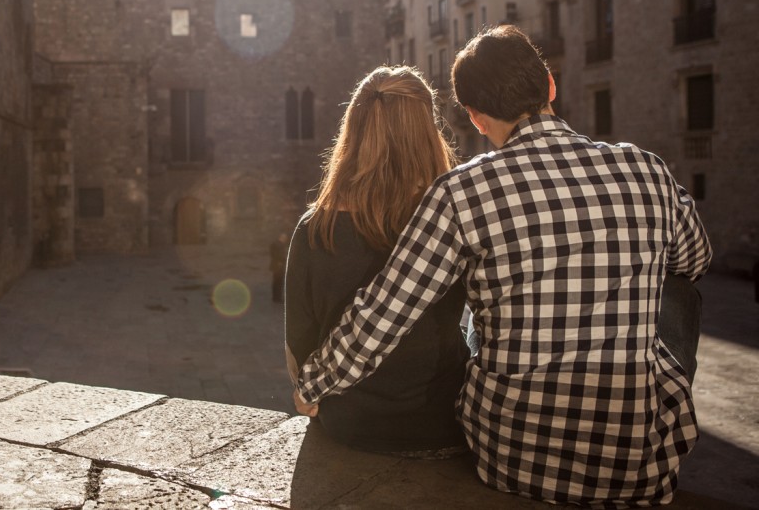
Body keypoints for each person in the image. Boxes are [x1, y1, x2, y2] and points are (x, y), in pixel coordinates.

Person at [294, 26, 711, 507]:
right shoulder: (648, 169)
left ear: (474, 117)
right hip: (637, 469)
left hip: (511, 459)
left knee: (478, 303)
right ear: (551, 86)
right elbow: (695, 260)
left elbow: (384, 314)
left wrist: (313, 384)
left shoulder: (461, 191)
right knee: (680, 289)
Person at [284, 66, 469, 455]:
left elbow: (298, 346)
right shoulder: (452, 219)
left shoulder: (314, 228)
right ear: (426, 131)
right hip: (439, 426)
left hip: (348, 428)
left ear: (352, 130)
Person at [270, 232, 289, 302]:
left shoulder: (278, 244)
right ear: (281, 237)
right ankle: (277, 298)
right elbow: (276, 255)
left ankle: (276, 297)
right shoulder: (278, 245)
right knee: (278, 283)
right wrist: (283, 260)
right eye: (285, 238)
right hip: (278, 266)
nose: (285, 239)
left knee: (277, 282)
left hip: (277, 265)